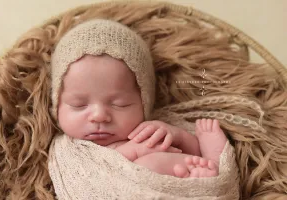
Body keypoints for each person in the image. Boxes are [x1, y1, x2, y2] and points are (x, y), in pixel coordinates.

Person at [50, 19, 228, 178]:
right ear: (57, 104)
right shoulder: (67, 149)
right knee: (146, 165)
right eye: (78, 105)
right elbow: (89, 176)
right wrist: (134, 151)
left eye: (119, 104)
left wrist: (178, 136)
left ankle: (214, 162)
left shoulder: (151, 129)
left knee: (179, 155)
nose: (99, 116)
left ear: (144, 102)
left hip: (192, 184)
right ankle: (193, 173)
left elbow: (190, 150)